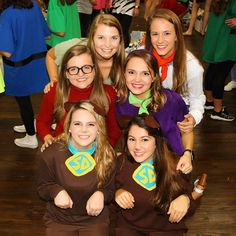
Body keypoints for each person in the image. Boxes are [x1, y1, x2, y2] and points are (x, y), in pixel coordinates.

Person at [37, 101, 116, 236]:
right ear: (69, 127)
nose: (83, 130)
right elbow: (42, 187)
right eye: (77, 124)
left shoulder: (107, 155)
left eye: (90, 124)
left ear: (99, 128)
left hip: (94, 220)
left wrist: (101, 194)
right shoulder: (52, 153)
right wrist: (55, 191)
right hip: (60, 220)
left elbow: (111, 189)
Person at [115, 114, 197, 235]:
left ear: (156, 141)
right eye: (132, 139)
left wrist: (186, 200)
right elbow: (108, 193)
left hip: (165, 229)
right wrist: (117, 193)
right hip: (129, 227)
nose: (137, 147)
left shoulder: (175, 164)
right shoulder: (120, 163)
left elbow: (190, 205)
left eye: (145, 139)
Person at [116, 49, 194, 175]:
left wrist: (187, 154)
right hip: (138, 167)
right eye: (131, 72)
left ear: (154, 77)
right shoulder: (120, 103)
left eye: (145, 74)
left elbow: (187, 131)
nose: (137, 79)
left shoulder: (172, 100)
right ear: (124, 74)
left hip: (173, 166)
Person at [36, 45, 121, 151]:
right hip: (63, 148)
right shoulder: (55, 92)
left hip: (97, 150)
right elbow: (42, 122)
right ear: (66, 73)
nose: (80, 74)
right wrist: (47, 136)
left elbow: (114, 128)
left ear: (95, 70)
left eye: (86, 68)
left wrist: (107, 148)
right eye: (73, 69)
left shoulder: (108, 93)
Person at [145, 8, 205, 133]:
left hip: (178, 115)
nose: (160, 40)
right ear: (149, 36)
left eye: (167, 33)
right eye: (155, 34)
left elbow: (197, 98)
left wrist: (194, 117)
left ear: (177, 35)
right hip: (148, 110)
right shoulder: (142, 58)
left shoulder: (191, 66)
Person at [0, 0, 50, 149]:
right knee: (31, 99)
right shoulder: (34, 5)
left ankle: (30, 136)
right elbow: (46, 34)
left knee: (23, 102)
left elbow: (6, 51)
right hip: (38, 62)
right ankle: (30, 124)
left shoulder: (7, 15)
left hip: (18, 66)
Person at [202, 0, 236, 121]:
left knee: (213, 70)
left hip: (215, 37)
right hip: (226, 40)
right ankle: (217, 110)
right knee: (220, 75)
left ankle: (210, 102)